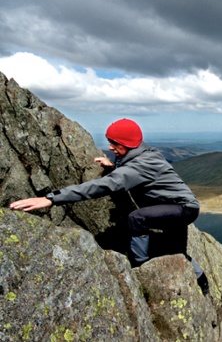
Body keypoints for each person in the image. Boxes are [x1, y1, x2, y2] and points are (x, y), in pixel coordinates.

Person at [10, 118, 209, 294]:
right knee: (177, 252)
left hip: (181, 209)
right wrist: (115, 168)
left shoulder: (140, 165)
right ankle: (202, 280)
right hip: (180, 207)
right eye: (110, 142)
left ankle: (140, 264)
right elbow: (134, 171)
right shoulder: (147, 154)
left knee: (137, 218)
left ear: (127, 144)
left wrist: (52, 199)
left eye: (114, 143)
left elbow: (100, 187)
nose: (111, 147)